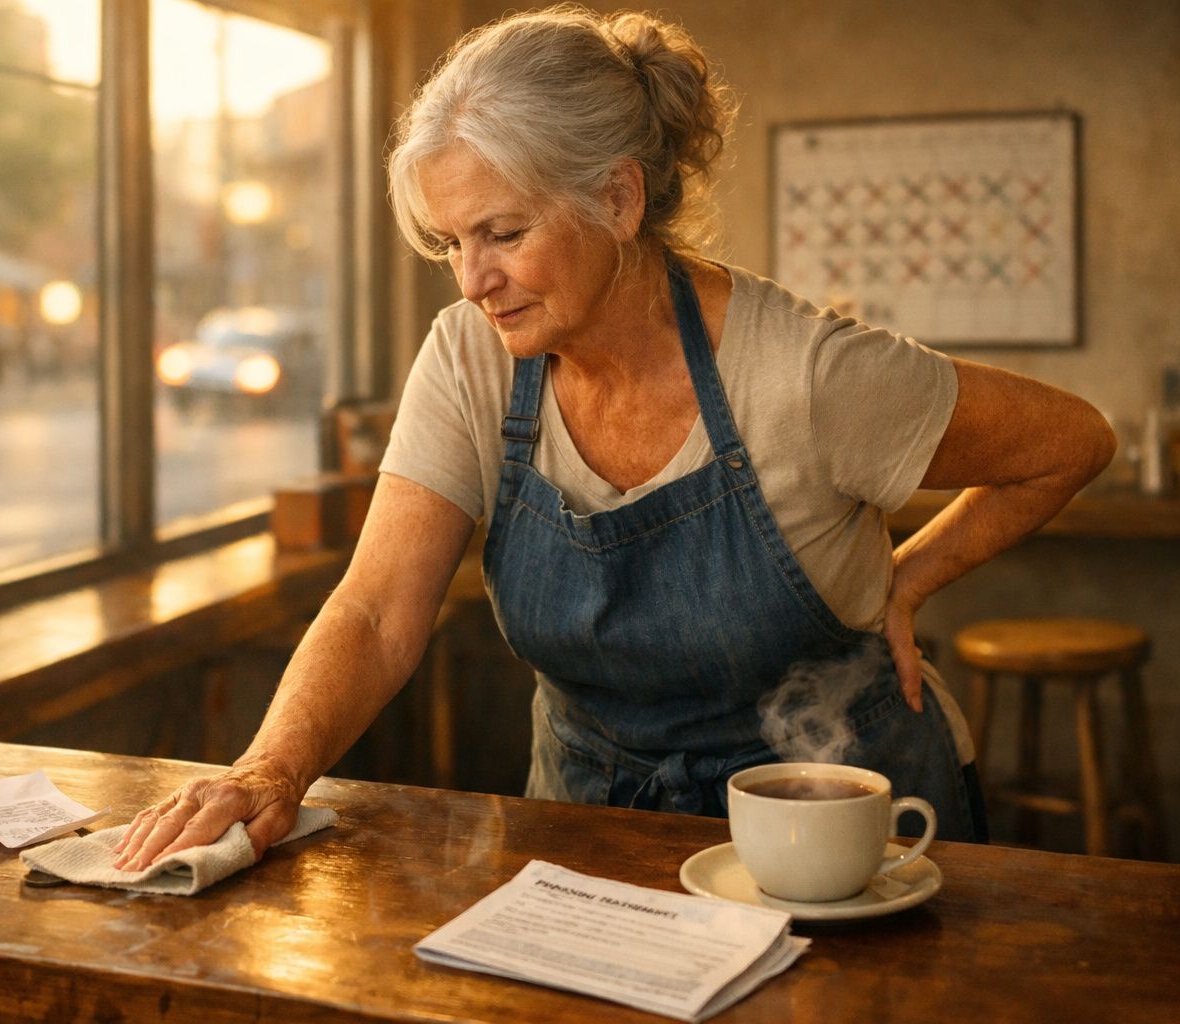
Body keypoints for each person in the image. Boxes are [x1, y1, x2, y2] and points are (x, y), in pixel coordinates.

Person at [113, 5, 1114, 870]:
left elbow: (1070, 440)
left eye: (503, 234)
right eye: (453, 242)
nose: (471, 279)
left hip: (844, 835)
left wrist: (910, 575)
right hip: (588, 823)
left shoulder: (805, 373)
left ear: (618, 199)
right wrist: (267, 769)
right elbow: (377, 612)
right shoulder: (470, 357)